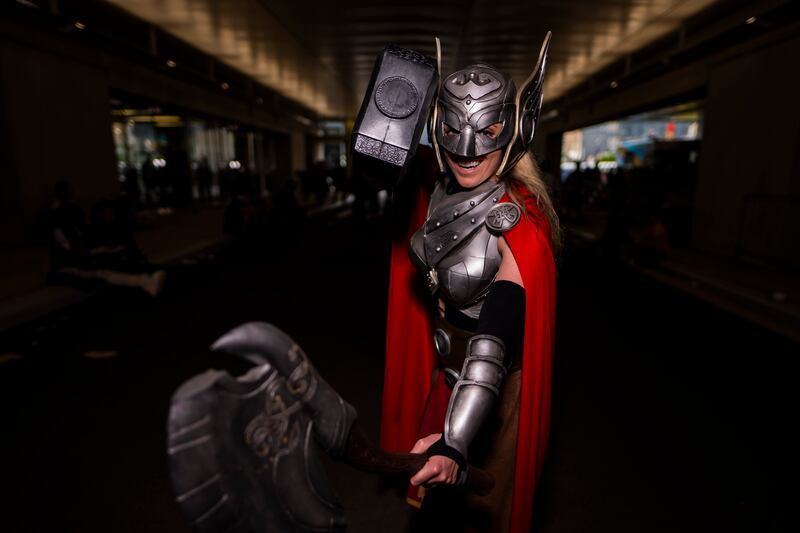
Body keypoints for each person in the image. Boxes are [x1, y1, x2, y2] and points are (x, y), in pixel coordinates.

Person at [380, 37, 560, 533]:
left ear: (514, 130)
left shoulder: (518, 223)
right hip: (445, 372)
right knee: (433, 507)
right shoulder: (438, 190)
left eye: (488, 131)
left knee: (485, 509)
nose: (466, 149)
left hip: (493, 391)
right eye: (453, 129)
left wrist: (455, 440)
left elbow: (493, 342)